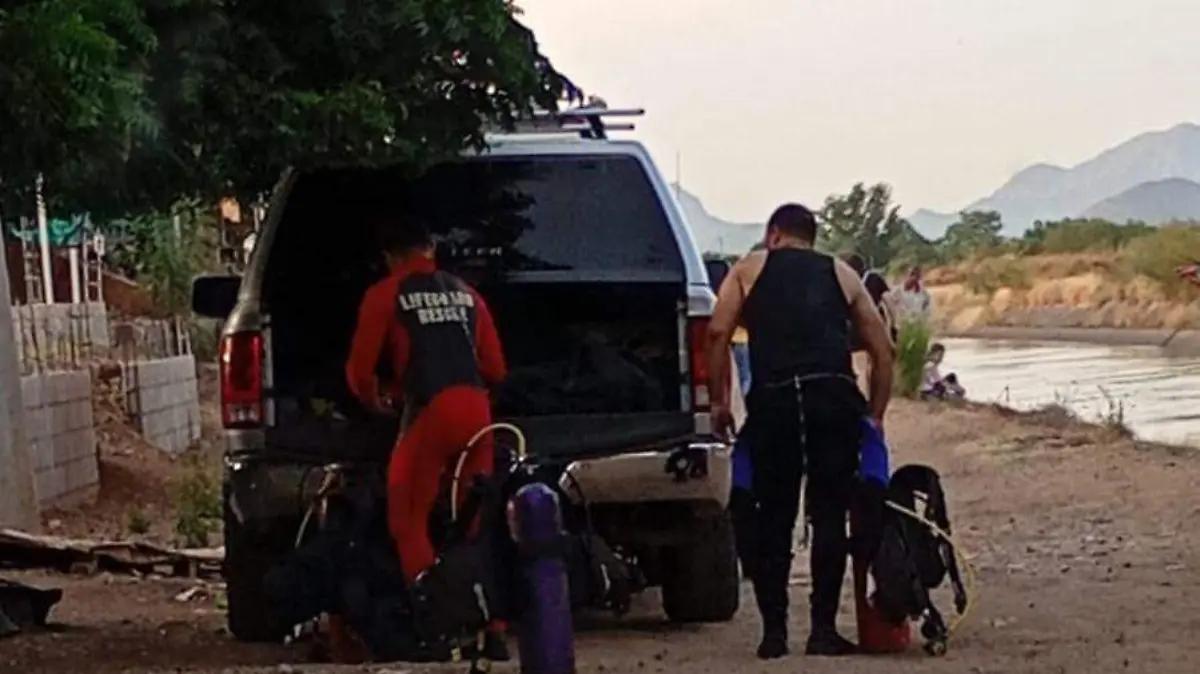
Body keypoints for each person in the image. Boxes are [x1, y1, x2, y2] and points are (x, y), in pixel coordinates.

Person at [708, 204, 894, 659]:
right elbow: (883, 347)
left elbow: (716, 332)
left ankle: (774, 635)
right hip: (833, 398)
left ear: (773, 235)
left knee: (775, 515)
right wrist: (875, 412)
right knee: (829, 515)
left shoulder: (750, 268)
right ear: (811, 238)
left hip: (775, 401)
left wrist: (717, 402)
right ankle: (822, 631)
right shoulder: (841, 273)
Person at [345, 216, 508, 656]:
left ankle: (438, 626)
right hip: (478, 412)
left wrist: (377, 401)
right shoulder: (466, 294)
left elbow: (359, 373)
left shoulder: (384, 295)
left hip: (430, 412)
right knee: (474, 519)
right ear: (431, 248)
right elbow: (495, 368)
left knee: (408, 518)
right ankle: (491, 626)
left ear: (389, 257)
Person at [842, 253, 897, 396]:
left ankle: (858, 391)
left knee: (857, 361)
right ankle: (870, 392)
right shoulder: (875, 279)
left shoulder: (846, 279)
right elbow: (888, 301)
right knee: (876, 360)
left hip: (853, 326)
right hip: (875, 324)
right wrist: (894, 324)